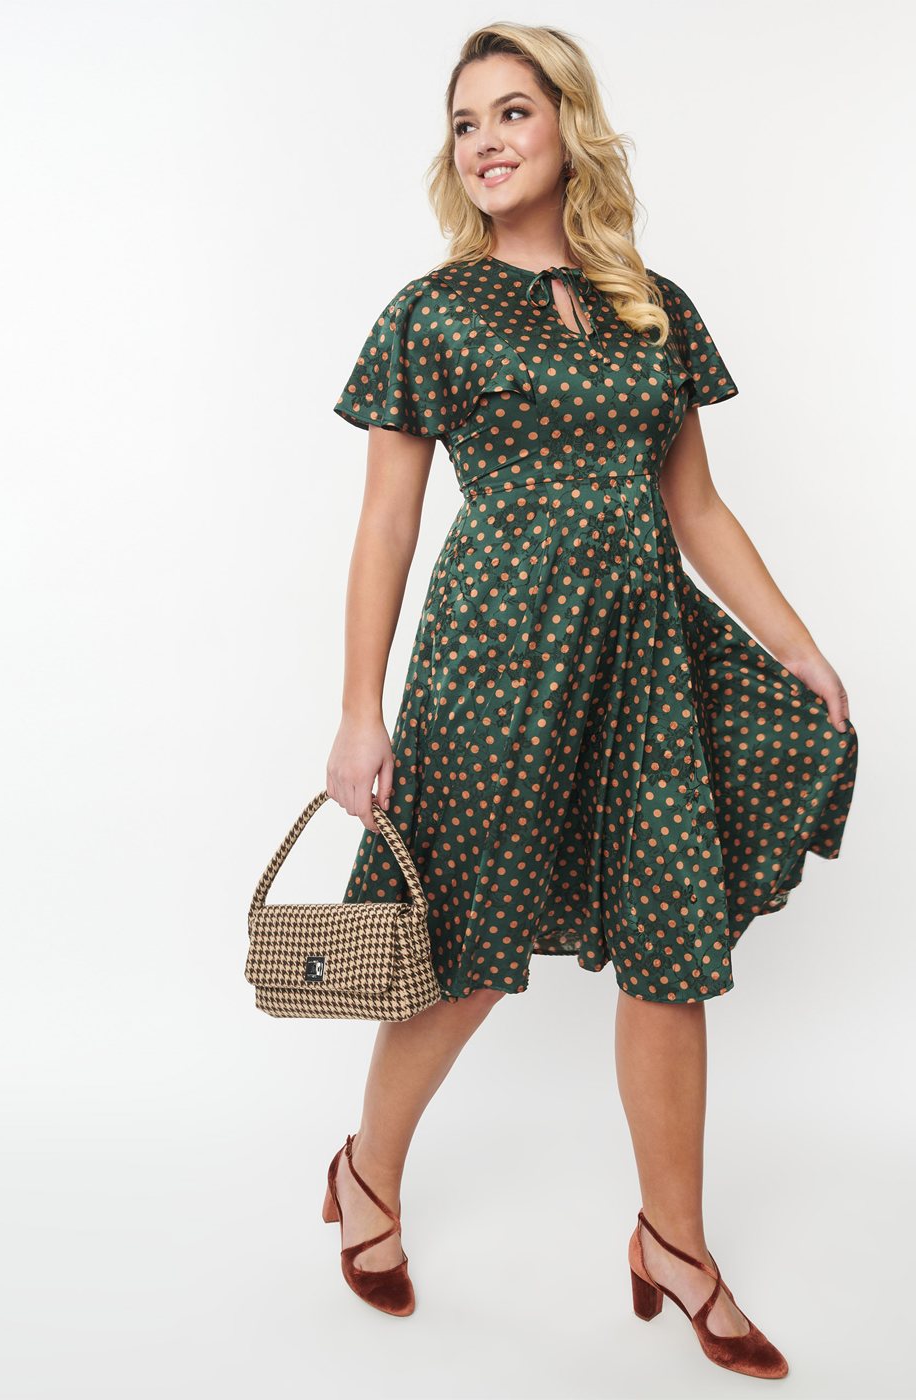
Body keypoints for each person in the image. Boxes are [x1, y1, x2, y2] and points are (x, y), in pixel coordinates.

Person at [322, 21, 857, 1379]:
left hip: (644, 659)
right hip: (493, 658)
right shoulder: (432, 312)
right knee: (463, 951)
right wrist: (359, 711)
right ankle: (368, 1171)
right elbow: (386, 524)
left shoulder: (650, 306)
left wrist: (799, 646)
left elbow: (696, 507)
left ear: (569, 125)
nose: (486, 141)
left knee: (673, 950)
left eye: (512, 111)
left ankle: (675, 1245)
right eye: (465, 122)